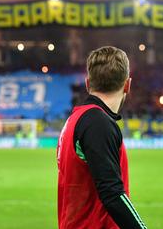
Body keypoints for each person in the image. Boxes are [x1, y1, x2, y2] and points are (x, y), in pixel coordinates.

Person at [57, 46, 147, 229]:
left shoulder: (77, 119)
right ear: (127, 85)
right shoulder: (97, 122)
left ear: (88, 83)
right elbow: (112, 193)